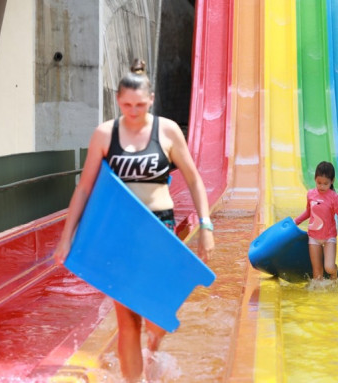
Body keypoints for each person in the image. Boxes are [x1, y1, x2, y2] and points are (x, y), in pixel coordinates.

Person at [53, 59, 215, 382]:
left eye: (140, 104)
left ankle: (154, 345)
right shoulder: (104, 135)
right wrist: (66, 237)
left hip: (160, 232)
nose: (133, 110)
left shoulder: (167, 131)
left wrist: (205, 226)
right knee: (127, 320)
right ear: (117, 99)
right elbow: (84, 190)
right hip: (120, 235)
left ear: (151, 99)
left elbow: (195, 179)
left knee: (156, 317)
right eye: (126, 104)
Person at [294, 161, 338, 282]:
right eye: (319, 183)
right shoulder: (311, 194)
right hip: (313, 237)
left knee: (329, 268)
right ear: (315, 179)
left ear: (332, 181)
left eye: (326, 183)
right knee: (317, 274)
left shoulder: (334, 197)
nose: (322, 186)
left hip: (329, 237)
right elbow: (308, 212)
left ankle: (334, 272)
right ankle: (319, 298)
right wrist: (295, 222)